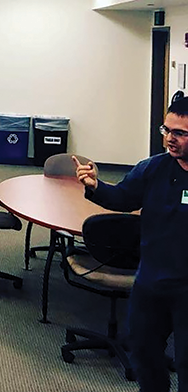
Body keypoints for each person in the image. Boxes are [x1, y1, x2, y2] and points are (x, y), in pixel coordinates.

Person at [75, 98, 188, 392]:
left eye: (179, 133)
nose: (169, 138)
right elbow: (124, 197)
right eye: (167, 129)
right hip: (151, 281)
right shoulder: (153, 168)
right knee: (143, 351)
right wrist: (95, 187)